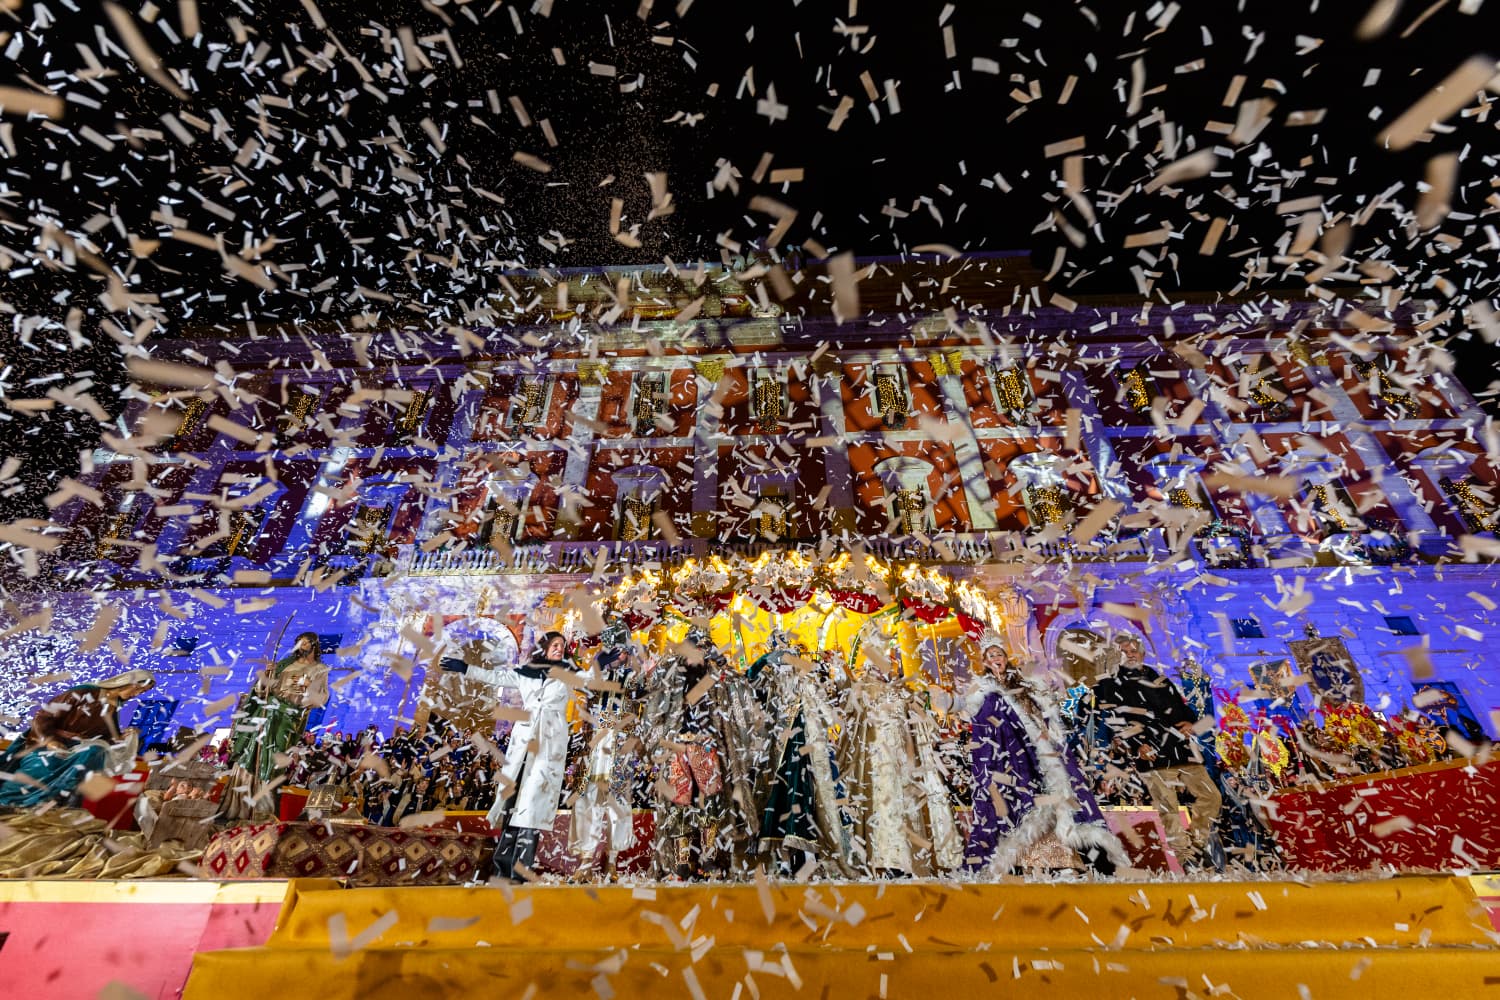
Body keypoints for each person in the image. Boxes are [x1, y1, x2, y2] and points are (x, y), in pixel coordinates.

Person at [963, 632, 1126, 876]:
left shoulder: (1027, 684)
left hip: (1043, 751)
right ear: (985, 662)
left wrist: (1048, 732)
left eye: (999, 654)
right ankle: (1030, 862)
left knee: (1058, 800)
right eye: (991, 655)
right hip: (1014, 759)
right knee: (1028, 806)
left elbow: (1045, 713)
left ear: (1006, 657)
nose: (996, 658)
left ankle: (1065, 860)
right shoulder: (985, 692)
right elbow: (984, 726)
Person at [442, 630, 574, 882]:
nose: (560, 648)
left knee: (532, 808)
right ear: (544, 647)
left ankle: (521, 872)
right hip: (523, 744)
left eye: (563, 645)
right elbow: (495, 676)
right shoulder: (525, 673)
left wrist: (608, 661)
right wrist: (466, 669)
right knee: (512, 805)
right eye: (556, 644)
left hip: (547, 748)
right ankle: (502, 869)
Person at [1092, 632, 1223, 871]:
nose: (1130, 655)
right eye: (1124, 652)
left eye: (1134, 651)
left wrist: (1193, 724)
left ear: (1142, 654)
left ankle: (1196, 845)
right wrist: (1135, 745)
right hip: (1150, 752)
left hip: (1182, 749)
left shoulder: (1159, 678)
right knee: (1168, 808)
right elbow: (1114, 720)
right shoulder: (1110, 683)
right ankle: (1185, 858)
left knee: (1212, 797)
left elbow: (1183, 708)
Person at [839, 644, 963, 877]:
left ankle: (911, 860)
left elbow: (921, 721)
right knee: (883, 808)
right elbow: (851, 720)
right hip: (878, 765)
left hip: (905, 763)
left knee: (907, 808)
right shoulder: (862, 690)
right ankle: (886, 860)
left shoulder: (902, 691)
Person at [750, 631, 855, 877]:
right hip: (777, 749)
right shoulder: (770, 679)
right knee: (780, 797)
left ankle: (812, 854)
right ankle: (783, 858)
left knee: (808, 795)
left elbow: (830, 706)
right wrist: (763, 661)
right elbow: (749, 682)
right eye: (781, 652)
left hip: (808, 747)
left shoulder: (808, 680)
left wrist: (837, 668)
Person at [642, 628, 730, 880]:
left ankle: (709, 858)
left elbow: (731, 698)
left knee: (709, 802)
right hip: (678, 747)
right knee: (679, 804)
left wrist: (721, 664)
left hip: (705, 746)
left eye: (702, 649)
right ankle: (682, 863)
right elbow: (650, 691)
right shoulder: (672, 675)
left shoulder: (714, 677)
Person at [0, 670, 155, 807]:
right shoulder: (84, 692)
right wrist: (51, 741)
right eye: (138, 689)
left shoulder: (114, 707)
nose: (137, 694)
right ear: (127, 682)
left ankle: (66, 797)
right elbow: (43, 717)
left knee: (95, 751)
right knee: (89, 752)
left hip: (80, 748)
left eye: (142, 692)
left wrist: (122, 737)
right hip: (50, 743)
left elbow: (101, 738)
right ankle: (35, 799)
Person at [224, 631, 331, 819]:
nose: (301, 646)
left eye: (305, 643)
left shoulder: (320, 669)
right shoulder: (284, 664)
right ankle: (241, 806)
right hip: (267, 712)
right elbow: (263, 691)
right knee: (252, 751)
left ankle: (264, 808)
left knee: (274, 758)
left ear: (314, 645)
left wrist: (308, 687)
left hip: (288, 716)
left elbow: (321, 698)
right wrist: (267, 675)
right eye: (299, 642)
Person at [569, 621, 643, 880]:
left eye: (623, 651)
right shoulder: (595, 676)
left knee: (618, 805)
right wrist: (598, 664)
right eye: (614, 651)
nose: (619, 656)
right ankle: (585, 861)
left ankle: (612, 861)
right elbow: (582, 685)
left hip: (620, 750)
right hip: (594, 749)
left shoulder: (633, 677)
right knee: (588, 801)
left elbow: (644, 691)